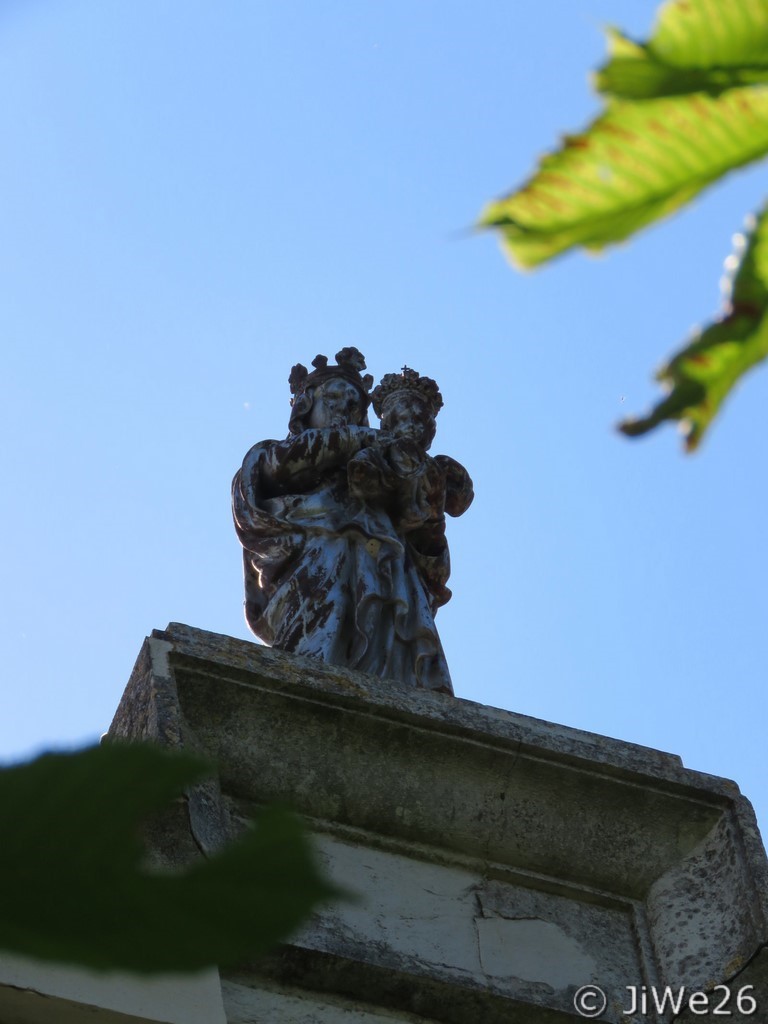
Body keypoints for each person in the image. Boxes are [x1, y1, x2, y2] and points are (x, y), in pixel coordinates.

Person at [232, 349, 462, 693]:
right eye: (334, 398)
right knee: (317, 658)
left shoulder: (377, 472)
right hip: (313, 568)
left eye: (355, 404)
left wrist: (428, 505)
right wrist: (373, 439)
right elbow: (288, 461)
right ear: (305, 407)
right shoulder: (267, 454)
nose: (344, 409)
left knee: (396, 673)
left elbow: (432, 564)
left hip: (388, 576)